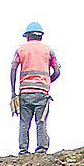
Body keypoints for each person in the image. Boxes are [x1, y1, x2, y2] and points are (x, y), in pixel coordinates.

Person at [10, 21, 60, 155]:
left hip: (25, 91)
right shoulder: (48, 51)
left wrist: (13, 92)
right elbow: (57, 71)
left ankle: (23, 149)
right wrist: (48, 80)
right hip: (42, 92)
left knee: (24, 122)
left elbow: (13, 69)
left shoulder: (21, 50)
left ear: (27, 36)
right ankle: (42, 148)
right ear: (41, 36)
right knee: (41, 121)